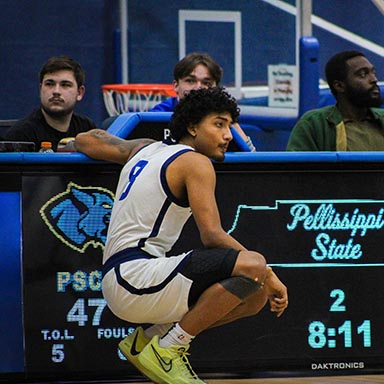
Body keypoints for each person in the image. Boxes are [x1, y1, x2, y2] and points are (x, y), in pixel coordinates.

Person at [74, 87, 288, 384]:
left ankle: (149, 339)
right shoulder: (195, 162)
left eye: (229, 125)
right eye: (219, 124)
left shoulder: (145, 148)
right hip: (135, 277)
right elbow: (212, 235)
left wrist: (69, 142)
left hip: (121, 280)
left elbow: (89, 139)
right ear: (192, 127)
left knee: (254, 296)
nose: (228, 135)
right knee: (253, 266)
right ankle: (168, 350)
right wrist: (269, 272)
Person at [286, 50, 384, 152]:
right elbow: (296, 177)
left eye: (373, 72)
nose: (374, 79)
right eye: (363, 74)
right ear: (339, 86)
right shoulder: (313, 124)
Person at [151, 51, 256, 152]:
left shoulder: (225, 119)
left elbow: (251, 159)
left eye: (206, 83)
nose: (198, 88)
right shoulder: (155, 116)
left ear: (216, 89)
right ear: (176, 85)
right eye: (190, 81)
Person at [3, 56, 97, 151]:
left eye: (65, 85)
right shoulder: (20, 135)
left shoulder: (87, 129)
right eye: (49, 84)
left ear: (79, 93)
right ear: (40, 89)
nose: (56, 91)